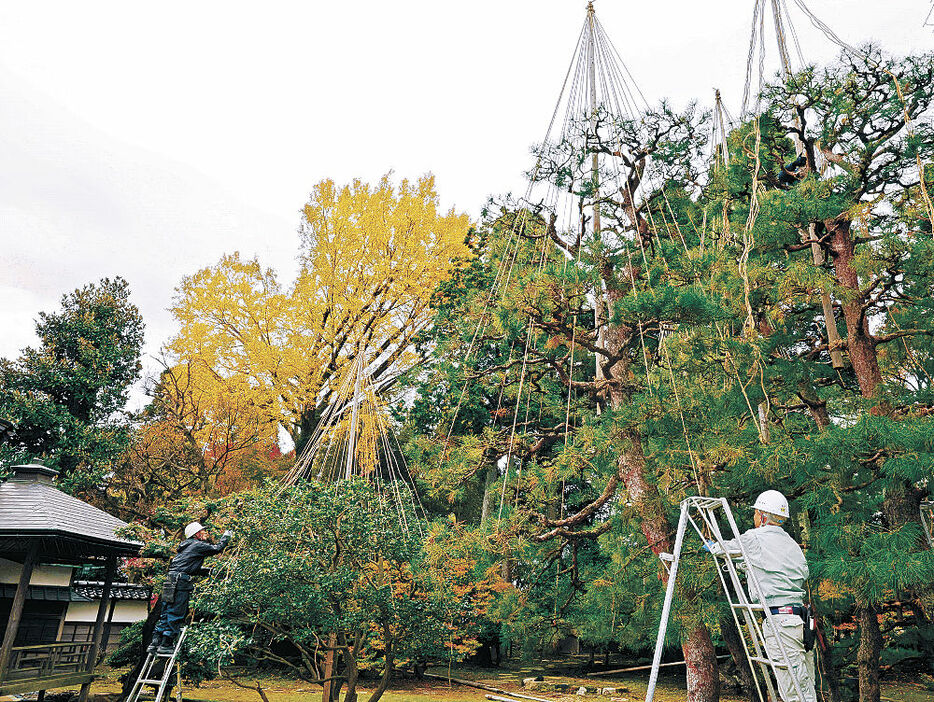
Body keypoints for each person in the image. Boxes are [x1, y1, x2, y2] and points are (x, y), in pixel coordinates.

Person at [708, 490, 817, 702]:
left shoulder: (755, 538)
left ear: (764, 516)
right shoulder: (791, 544)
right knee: (805, 686)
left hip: (780, 622)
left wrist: (711, 545)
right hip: (800, 622)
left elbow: (724, 549)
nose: (755, 518)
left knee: (794, 690)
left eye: (757, 513)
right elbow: (793, 571)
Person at [147, 522, 233, 654]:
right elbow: (217, 548)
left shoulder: (185, 547)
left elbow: (189, 567)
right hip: (180, 581)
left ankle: (155, 642)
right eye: (203, 532)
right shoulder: (197, 545)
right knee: (176, 611)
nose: (206, 534)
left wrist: (208, 571)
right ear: (196, 534)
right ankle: (166, 645)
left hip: (170, 579)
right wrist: (227, 535)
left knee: (166, 610)